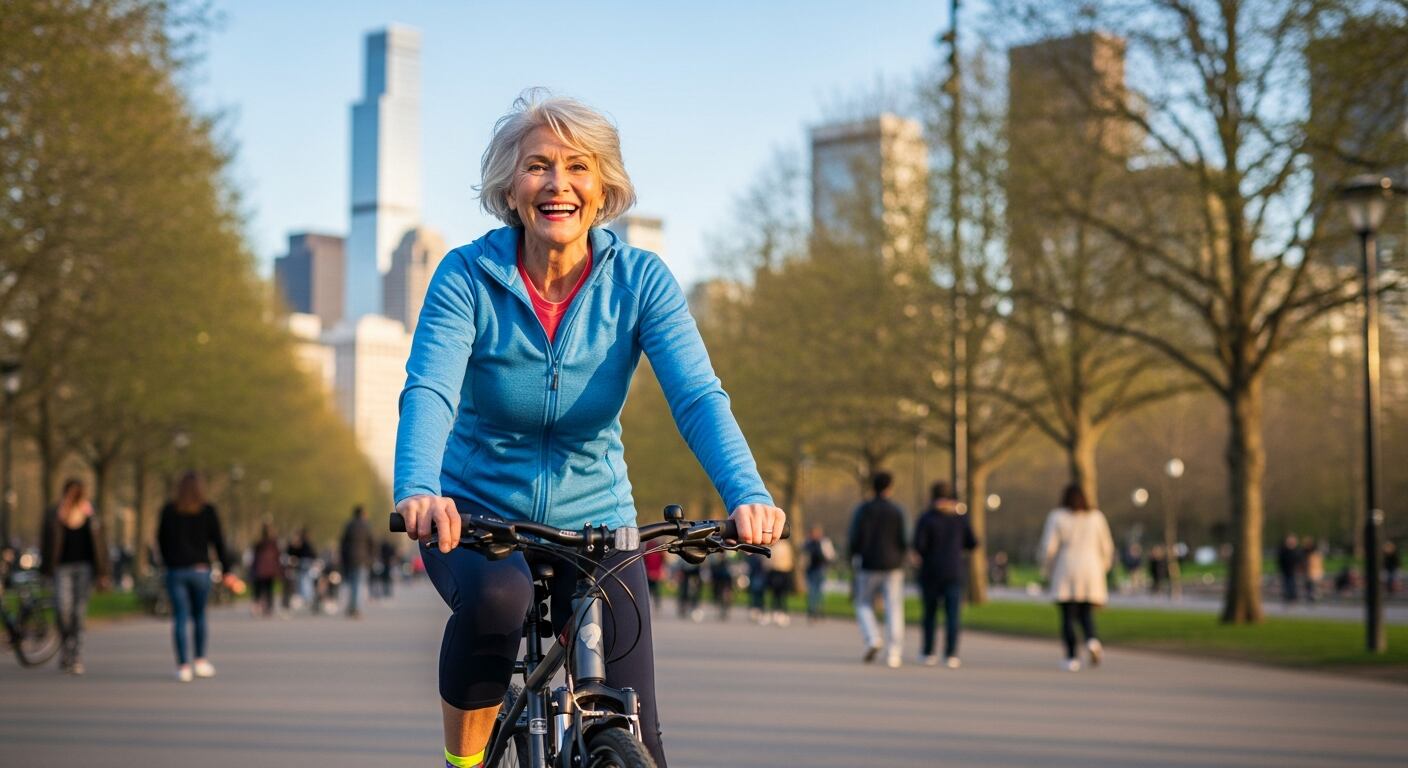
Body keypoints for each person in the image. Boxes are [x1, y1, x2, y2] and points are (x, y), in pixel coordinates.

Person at [392, 91, 785, 768]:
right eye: (537, 166)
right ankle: (462, 763)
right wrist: (420, 487)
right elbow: (430, 388)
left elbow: (695, 395)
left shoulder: (641, 281)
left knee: (641, 737)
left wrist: (747, 493)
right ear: (510, 188)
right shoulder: (466, 276)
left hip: (598, 519)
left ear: (603, 188)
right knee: (498, 598)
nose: (558, 184)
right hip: (478, 515)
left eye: (578, 166)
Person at [157, 471, 238, 683]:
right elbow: (219, 542)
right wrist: (227, 570)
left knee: (180, 618)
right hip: (200, 570)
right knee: (200, 616)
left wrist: (168, 562)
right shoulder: (208, 511)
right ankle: (200, 660)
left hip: (176, 570)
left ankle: (183, 665)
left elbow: (161, 540)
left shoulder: (169, 510)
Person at [1038, 484, 1115, 672]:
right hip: (1091, 567)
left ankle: (1071, 657)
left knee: (1067, 615)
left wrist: (1046, 569)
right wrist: (1104, 566)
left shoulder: (1057, 517)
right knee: (1086, 611)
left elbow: (1049, 547)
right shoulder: (1096, 517)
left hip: (1067, 566)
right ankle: (1092, 640)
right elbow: (1106, 546)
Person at [40, 478, 111, 674]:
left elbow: (101, 546)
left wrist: (103, 573)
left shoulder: (92, 515)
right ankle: (65, 647)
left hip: (85, 568)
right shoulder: (55, 514)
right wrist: (45, 570)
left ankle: (75, 654)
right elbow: (46, 543)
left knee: (78, 612)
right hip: (61, 567)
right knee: (62, 609)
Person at [912, 482, 977, 668]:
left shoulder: (926, 518)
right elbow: (972, 543)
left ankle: (928, 652)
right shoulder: (960, 518)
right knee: (952, 615)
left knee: (930, 614)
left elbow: (919, 546)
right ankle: (950, 654)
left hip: (931, 572)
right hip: (954, 571)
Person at [849, 471, 908, 669]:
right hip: (893, 566)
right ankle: (894, 653)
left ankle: (872, 637)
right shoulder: (897, 511)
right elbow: (904, 539)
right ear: (890, 487)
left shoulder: (864, 510)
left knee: (863, 603)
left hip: (868, 564)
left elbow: (855, 537)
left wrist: (854, 556)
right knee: (894, 608)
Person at [339, 505, 374, 618]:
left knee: (352, 584)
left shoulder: (349, 525)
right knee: (359, 585)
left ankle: (351, 607)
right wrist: (371, 558)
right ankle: (356, 609)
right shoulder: (366, 526)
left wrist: (343, 558)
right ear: (363, 514)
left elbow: (343, 543)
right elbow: (372, 543)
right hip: (362, 559)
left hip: (349, 559)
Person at [802, 524, 836, 622]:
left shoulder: (815, 543)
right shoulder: (816, 543)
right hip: (814, 569)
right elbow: (830, 555)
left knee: (818, 592)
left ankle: (816, 611)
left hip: (819, 569)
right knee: (814, 591)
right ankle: (814, 611)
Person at [249, 522, 282, 617]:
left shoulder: (259, 543)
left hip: (260, 569)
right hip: (270, 570)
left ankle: (257, 607)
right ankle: (268, 608)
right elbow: (277, 556)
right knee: (269, 589)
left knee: (259, 589)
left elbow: (254, 556)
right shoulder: (273, 543)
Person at [765, 537, 796, 626]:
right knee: (775, 594)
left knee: (781, 594)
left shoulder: (784, 546)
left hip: (783, 572)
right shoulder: (774, 546)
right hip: (775, 572)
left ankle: (782, 612)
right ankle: (776, 611)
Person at [285, 527, 317, 611]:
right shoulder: (307, 543)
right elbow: (313, 554)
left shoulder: (301, 543)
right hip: (305, 563)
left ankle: (306, 598)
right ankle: (307, 598)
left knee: (304, 580)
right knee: (305, 580)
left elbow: (293, 553)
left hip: (303, 563)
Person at [1277, 534, 1301, 604]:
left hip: (1293, 570)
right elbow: (1280, 560)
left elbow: (1299, 559)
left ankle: (1293, 597)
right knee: (1286, 584)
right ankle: (1288, 597)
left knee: (1292, 584)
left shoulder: (1296, 550)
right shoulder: (1283, 550)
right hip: (1286, 570)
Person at [1302, 536, 1324, 604]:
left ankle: (1313, 597)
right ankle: (1310, 597)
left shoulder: (1315, 553)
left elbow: (1317, 563)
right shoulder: (1305, 552)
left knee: (1314, 586)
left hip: (1315, 572)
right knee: (1309, 585)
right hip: (1308, 572)